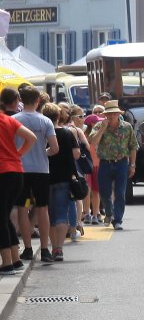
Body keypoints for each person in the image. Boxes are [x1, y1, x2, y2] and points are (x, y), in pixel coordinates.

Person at [13, 85, 57, 260]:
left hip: (21, 169)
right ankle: (45, 249)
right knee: (42, 208)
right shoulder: (45, 121)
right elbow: (55, 148)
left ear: (21, 100)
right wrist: (42, 152)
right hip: (41, 170)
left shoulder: (14, 120)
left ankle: (28, 248)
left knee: (22, 208)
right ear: (38, 100)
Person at [0, 88, 36, 274]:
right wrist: (18, 154)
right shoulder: (8, 119)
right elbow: (31, 138)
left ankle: (6, 263)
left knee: (1, 219)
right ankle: (15, 260)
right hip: (16, 171)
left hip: (2, 173)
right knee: (4, 217)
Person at [89, 101, 135, 230]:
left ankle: (117, 220)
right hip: (105, 163)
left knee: (120, 193)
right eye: (108, 114)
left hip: (121, 163)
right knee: (104, 193)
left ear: (118, 114)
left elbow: (133, 146)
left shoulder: (127, 127)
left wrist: (133, 164)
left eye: (114, 114)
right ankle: (109, 213)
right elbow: (93, 143)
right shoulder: (99, 126)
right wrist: (102, 129)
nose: (111, 116)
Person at [43, 103, 79, 262]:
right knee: (62, 213)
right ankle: (59, 248)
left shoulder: (43, 134)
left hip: (45, 177)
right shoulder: (67, 133)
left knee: (49, 214)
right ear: (59, 116)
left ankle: (52, 248)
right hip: (64, 177)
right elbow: (76, 154)